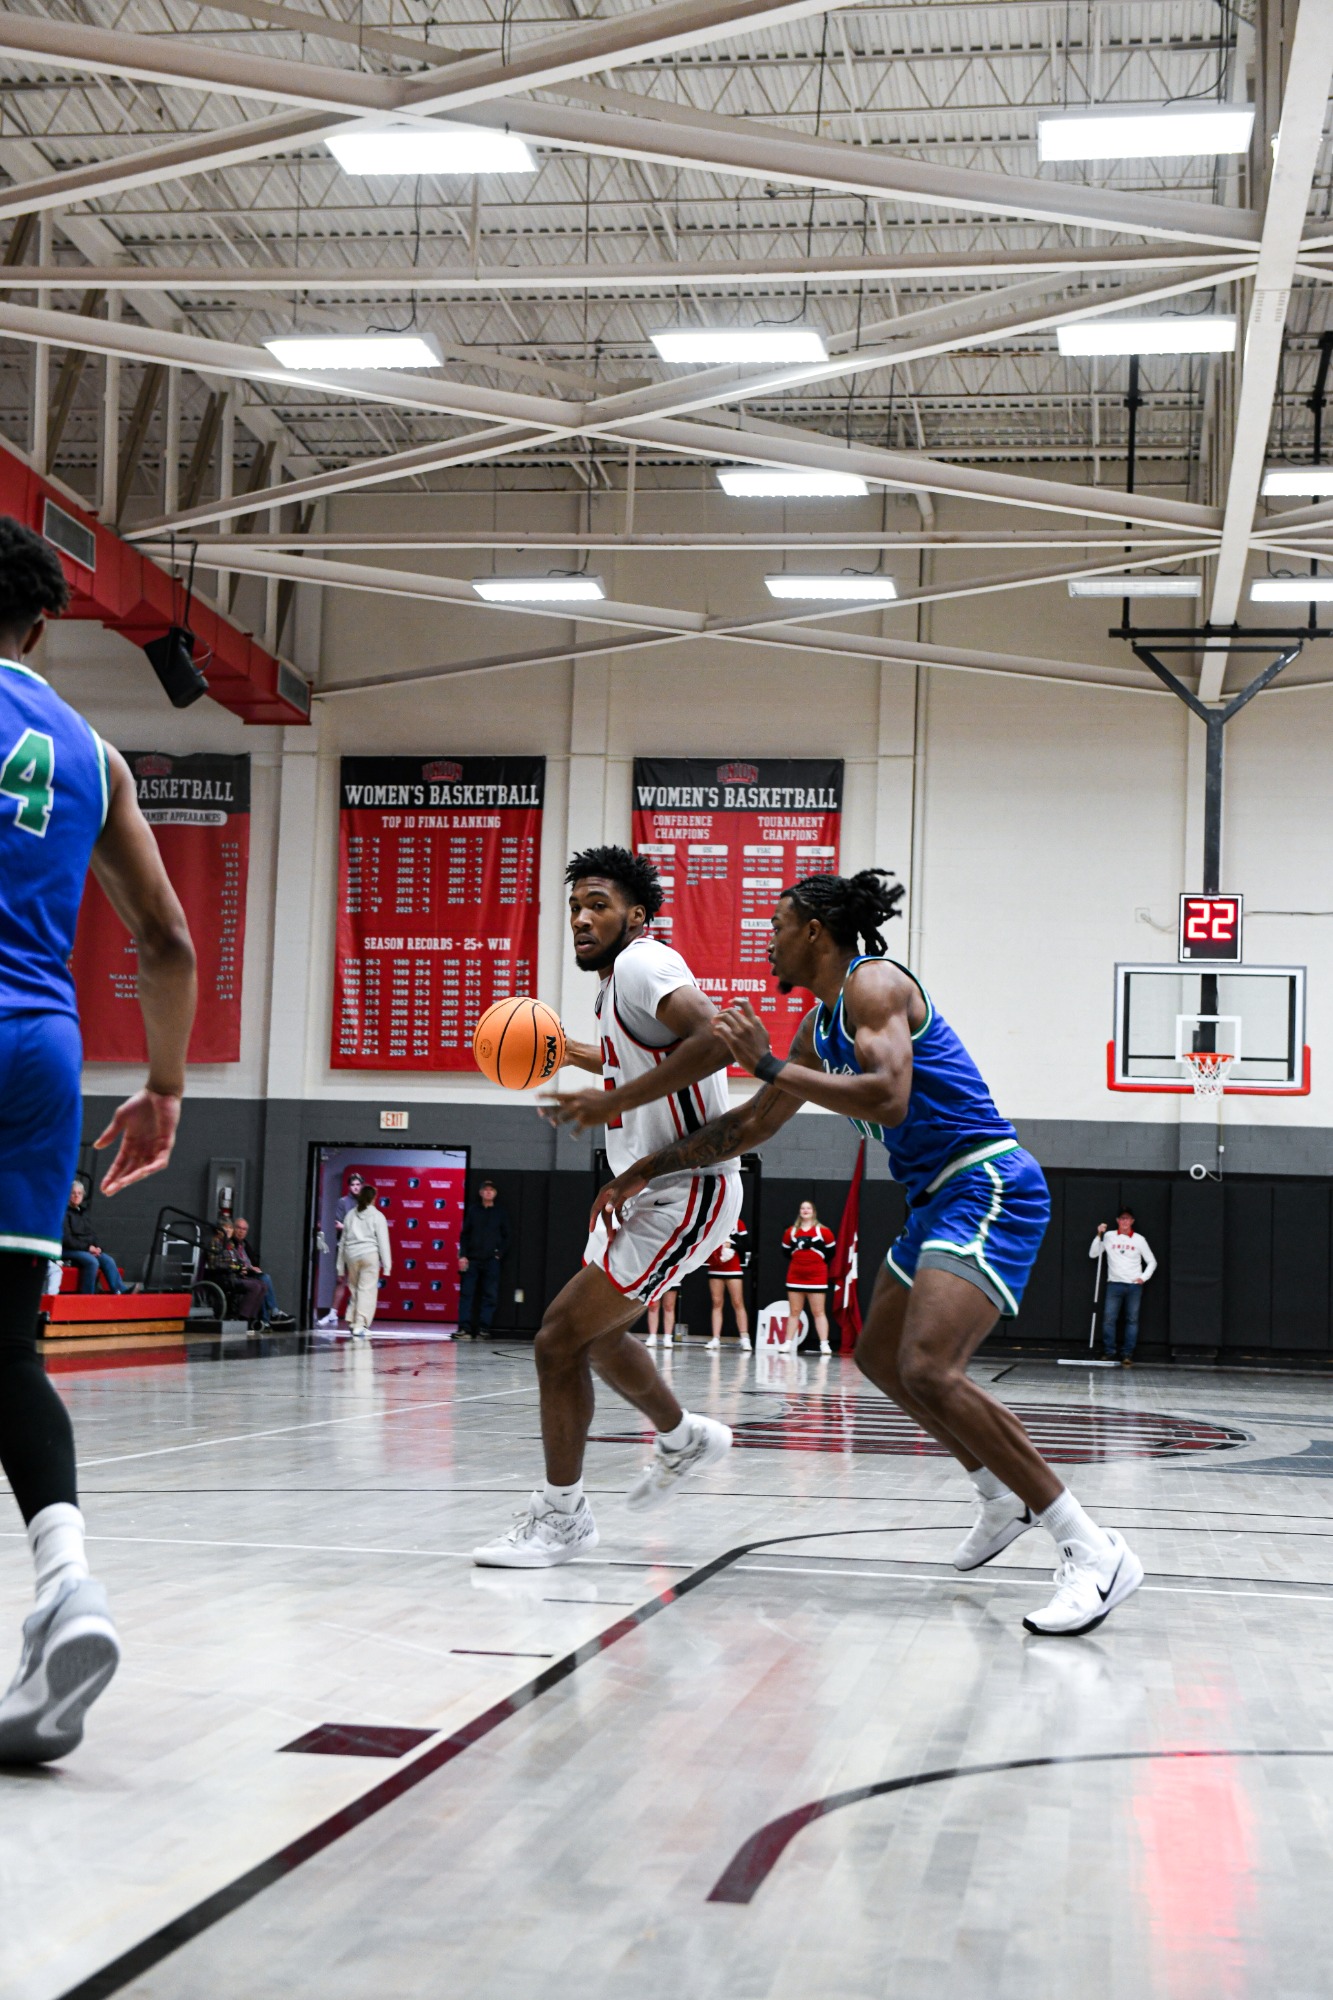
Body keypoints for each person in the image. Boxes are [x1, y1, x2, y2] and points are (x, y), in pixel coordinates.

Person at [594, 868, 1143, 1639]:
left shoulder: (873, 983)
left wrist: (770, 1068)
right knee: (880, 1357)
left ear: (815, 930)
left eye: (778, 926)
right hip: (932, 1198)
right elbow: (750, 1128)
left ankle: (1091, 1548)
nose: (768, 941)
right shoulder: (817, 1027)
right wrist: (642, 1169)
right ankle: (998, 1494)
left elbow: (889, 1096)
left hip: (984, 1181)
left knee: (927, 1367)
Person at [0, 516, 196, 1762]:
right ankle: (68, 1577)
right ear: (43, 621)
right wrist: (165, 1083)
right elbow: (167, 942)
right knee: (5, 1344)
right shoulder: (94, 753)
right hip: (37, 1051)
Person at [471, 845, 739, 1569]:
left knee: (555, 1340)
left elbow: (715, 1041)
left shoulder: (641, 964)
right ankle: (682, 1438)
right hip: (651, 1185)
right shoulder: (614, 988)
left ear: (636, 915)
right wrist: (569, 1052)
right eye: (574, 908)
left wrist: (613, 1101)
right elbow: (643, 1059)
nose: (582, 919)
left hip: (689, 1185)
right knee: (593, 1340)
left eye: (597, 904)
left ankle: (562, 1519)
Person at [1091, 1210, 1157, 1367]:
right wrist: (1099, 1234)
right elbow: (1093, 1254)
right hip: (1114, 1284)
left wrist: (1143, 1277)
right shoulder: (1109, 1236)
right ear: (1117, 1220)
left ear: (1132, 1221)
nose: (1125, 1222)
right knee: (1108, 1319)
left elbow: (1152, 1261)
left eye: (1127, 1219)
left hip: (1133, 1286)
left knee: (1132, 1320)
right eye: (1122, 1219)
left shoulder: (1139, 1240)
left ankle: (1127, 1354)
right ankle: (1109, 1351)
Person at [457, 1178, 510, 1339]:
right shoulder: (473, 1211)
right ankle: (464, 1329)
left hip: (491, 1261)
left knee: (490, 1295)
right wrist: (463, 1255)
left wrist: (498, 1254)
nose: (488, 1192)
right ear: (480, 1192)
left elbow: (507, 1236)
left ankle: (483, 1329)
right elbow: (465, 1235)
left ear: (495, 1193)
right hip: (472, 1260)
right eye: (485, 1189)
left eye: (491, 1190)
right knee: (467, 1294)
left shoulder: (500, 1213)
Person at [338, 1182, 391, 1339]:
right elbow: (383, 1242)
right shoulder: (377, 1216)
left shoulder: (350, 1215)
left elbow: (342, 1242)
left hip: (351, 1255)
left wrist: (340, 1267)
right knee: (366, 1290)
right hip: (369, 1256)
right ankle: (360, 1325)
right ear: (374, 1198)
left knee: (354, 1288)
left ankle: (352, 1321)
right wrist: (387, 1266)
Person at [782, 1199, 834, 1354]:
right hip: (795, 1276)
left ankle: (824, 1344)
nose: (805, 1210)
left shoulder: (824, 1232)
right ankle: (788, 1343)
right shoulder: (791, 1232)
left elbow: (831, 1253)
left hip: (816, 1277)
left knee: (819, 1312)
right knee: (794, 1311)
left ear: (813, 1211)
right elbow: (785, 1252)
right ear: (799, 1211)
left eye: (808, 1208)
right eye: (802, 1208)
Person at [60, 1176, 127, 1295]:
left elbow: (91, 1234)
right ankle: (87, 1295)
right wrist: (87, 1248)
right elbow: (66, 1239)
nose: (76, 1196)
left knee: (108, 1259)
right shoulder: (64, 1212)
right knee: (92, 1261)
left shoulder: (84, 1213)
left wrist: (96, 1247)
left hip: (84, 1249)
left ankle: (120, 1290)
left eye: (79, 1193)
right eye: (73, 1193)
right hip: (68, 1250)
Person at [316, 1170, 362, 1328]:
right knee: (340, 1280)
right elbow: (338, 1225)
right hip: (343, 1247)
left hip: (360, 1249)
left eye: (358, 1185)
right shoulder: (343, 1202)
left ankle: (359, 1317)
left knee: (358, 1283)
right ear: (349, 1187)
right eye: (353, 1185)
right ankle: (333, 1313)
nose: (355, 1187)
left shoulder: (366, 1203)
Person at [232, 1218, 291, 1328]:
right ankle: (272, 1314)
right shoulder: (231, 1244)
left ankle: (265, 1320)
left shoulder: (245, 1245)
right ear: (234, 1229)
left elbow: (253, 1260)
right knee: (264, 1280)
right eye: (239, 1228)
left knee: (263, 1282)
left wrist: (253, 1268)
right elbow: (235, 1262)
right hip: (239, 1274)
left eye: (244, 1229)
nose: (241, 1231)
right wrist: (249, 1268)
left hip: (249, 1273)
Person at [706, 1215, 750, 1351]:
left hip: (733, 1268)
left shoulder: (738, 1223)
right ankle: (715, 1338)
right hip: (715, 1267)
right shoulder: (713, 1222)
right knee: (717, 1302)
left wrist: (732, 1244)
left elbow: (746, 1246)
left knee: (738, 1302)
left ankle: (744, 1338)